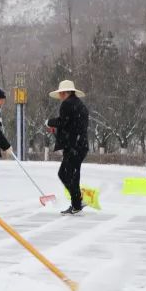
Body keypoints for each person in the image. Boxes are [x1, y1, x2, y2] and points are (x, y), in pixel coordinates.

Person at [46, 80, 89, 215]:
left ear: (65, 93)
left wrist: (49, 122)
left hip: (73, 146)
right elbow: (72, 125)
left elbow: (62, 122)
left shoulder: (67, 104)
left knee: (65, 174)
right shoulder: (81, 105)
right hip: (80, 145)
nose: (60, 96)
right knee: (72, 175)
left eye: (60, 94)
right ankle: (77, 203)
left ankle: (77, 203)